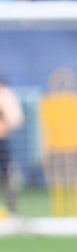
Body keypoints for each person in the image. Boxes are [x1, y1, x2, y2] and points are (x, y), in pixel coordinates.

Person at [0, 76, 24, 216]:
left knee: (7, 174)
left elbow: (16, 119)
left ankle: (11, 209)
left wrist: (4, 116)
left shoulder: (7, 96)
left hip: (2, 140)